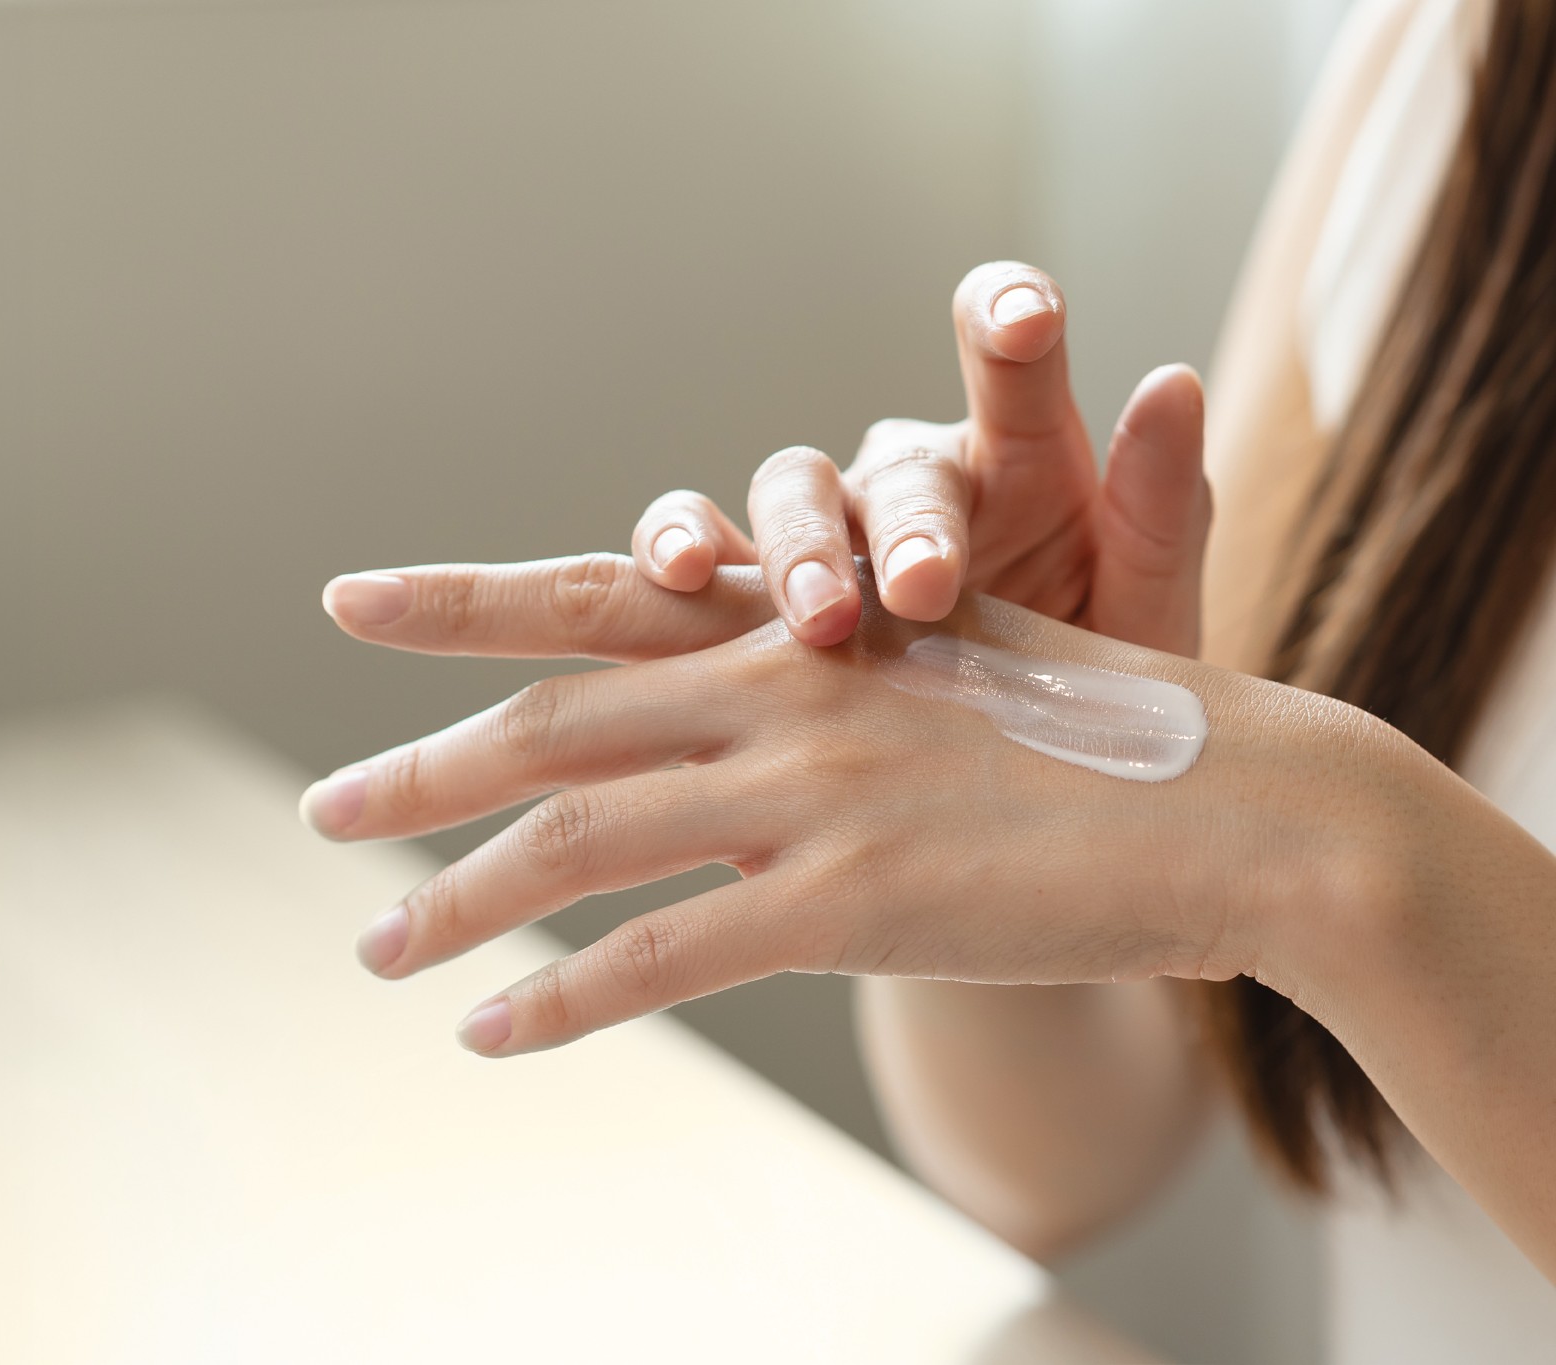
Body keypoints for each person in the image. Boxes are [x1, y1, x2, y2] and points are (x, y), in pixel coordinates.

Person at [301, 0, 1556, 1355]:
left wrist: (1340, 850)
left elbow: (1304, 845)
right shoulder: (1455, 71)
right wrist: (993, 766)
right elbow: (1077, 1157)